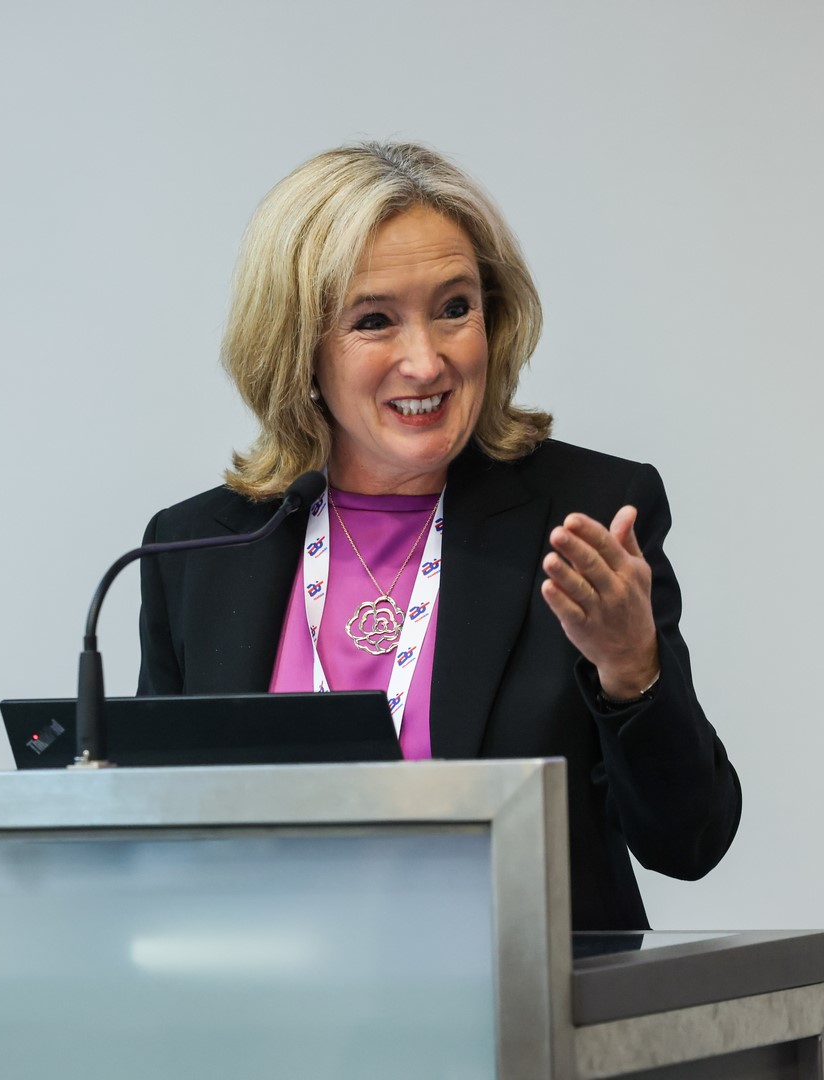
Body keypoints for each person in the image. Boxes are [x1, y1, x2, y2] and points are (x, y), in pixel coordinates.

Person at [137, 142, 740, 930]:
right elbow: (147, 841)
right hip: (270, 995)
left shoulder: (582, 519)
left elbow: (688, 840)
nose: (425, 363)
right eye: (374, 321)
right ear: (298, 348)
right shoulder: (198, 550)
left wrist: (632, 670)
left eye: (454, 308)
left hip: (517, 995)